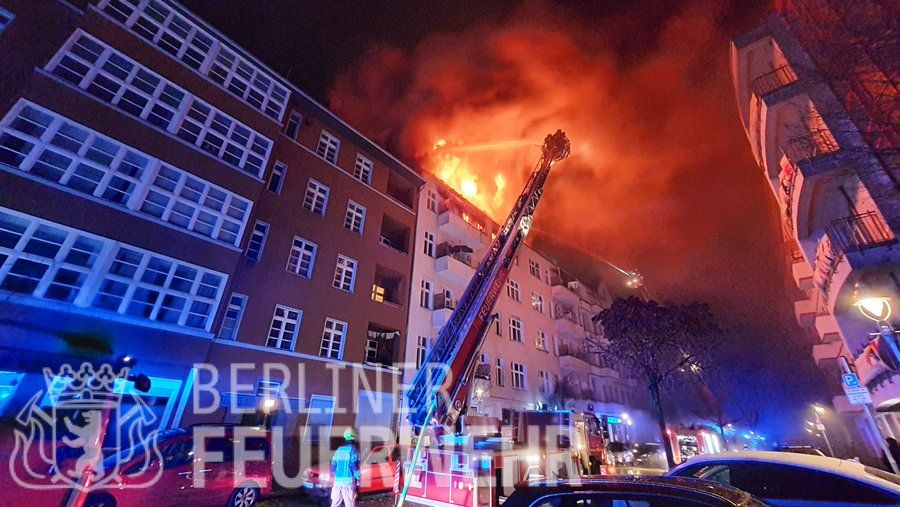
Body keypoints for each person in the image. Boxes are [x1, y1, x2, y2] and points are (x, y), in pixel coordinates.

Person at [330, 428, 361, 507]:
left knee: (335, 504)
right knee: (350, 504)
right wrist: (358, 477)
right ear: (353, 438)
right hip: (348, 482)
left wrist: (337, 476)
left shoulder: (339, 450)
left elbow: (333, 466)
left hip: (337, 482)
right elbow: (354, 466)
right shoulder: (353, 450)